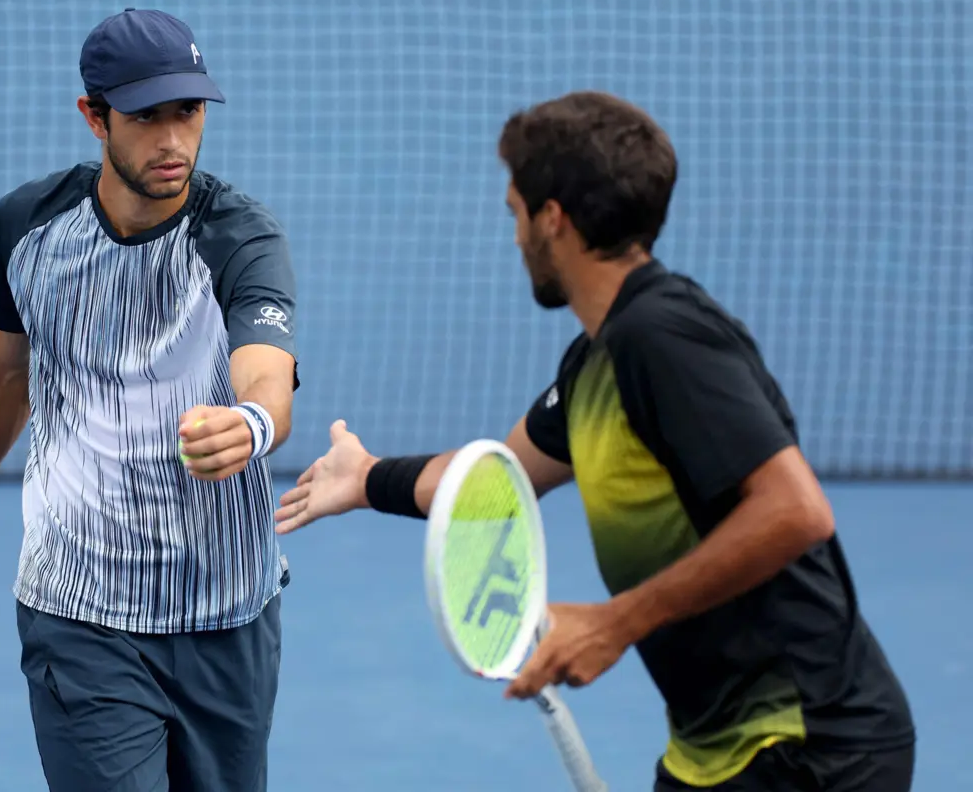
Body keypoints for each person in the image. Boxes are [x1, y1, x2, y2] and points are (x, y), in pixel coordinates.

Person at [273, 91, 915, 791]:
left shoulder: (662, 339)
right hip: (715, 751)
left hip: (811, 746)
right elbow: (497, 478)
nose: (515, 235)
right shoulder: (595, 363)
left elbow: (796, 511)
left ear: (554, 220)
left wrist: (616, 623)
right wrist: (365, 478)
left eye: (517, 213)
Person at [0, 8, 299, 792]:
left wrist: (250, 425)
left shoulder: (240, 237)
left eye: (187, 113)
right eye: (146, 117)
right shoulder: (27, 228)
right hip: (79, 612)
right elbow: (4, 374)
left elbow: (267, 369)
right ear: (94, 118)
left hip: (226, 616)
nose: (173, 141)